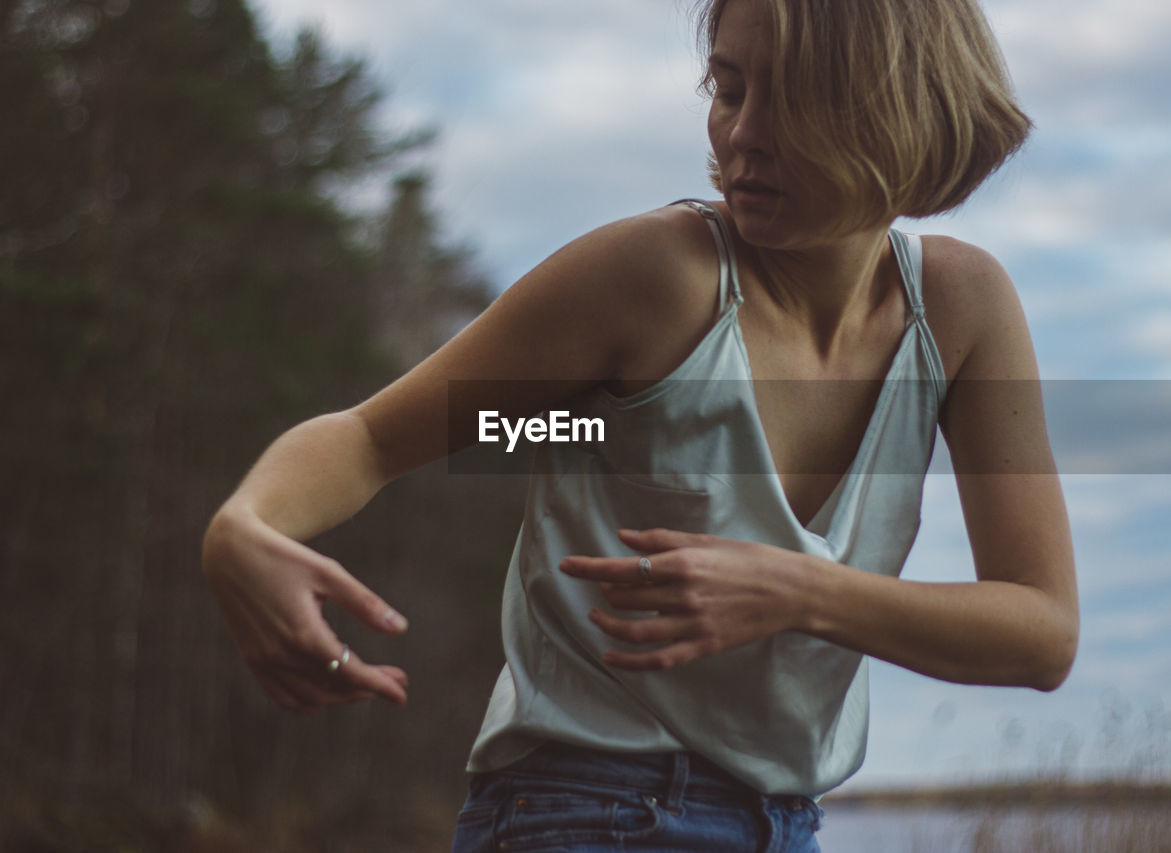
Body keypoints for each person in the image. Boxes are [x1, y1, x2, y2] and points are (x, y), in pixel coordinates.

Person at [201, 0, 1078, 849]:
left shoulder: (961, 311)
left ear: (897, 111)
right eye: (729, 89)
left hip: (790, 820)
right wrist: (243, 526)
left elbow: (1041, 631)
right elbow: (372, 438)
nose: (742, 135)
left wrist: (801, 592)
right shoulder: (656, 276)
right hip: (584, 810)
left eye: (795, 98)